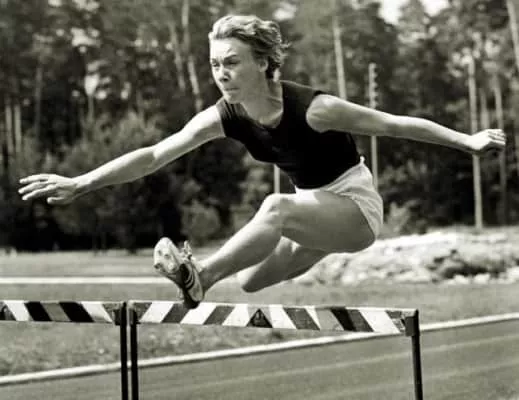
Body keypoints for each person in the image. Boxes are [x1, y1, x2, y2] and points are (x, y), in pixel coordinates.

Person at [19, 15, 506, 309]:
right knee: (250, 281)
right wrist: (81, 182)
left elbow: (396, 124)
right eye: (215, 64)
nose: (222, 74)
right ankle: (256, 263)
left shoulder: (315, 109)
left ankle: (199, 276)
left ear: (264, 63)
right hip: (311, 211)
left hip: (355, 209)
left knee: (274, 207)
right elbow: (154, 154)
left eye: (232, 62)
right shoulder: (223, 115)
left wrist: (467, 140)